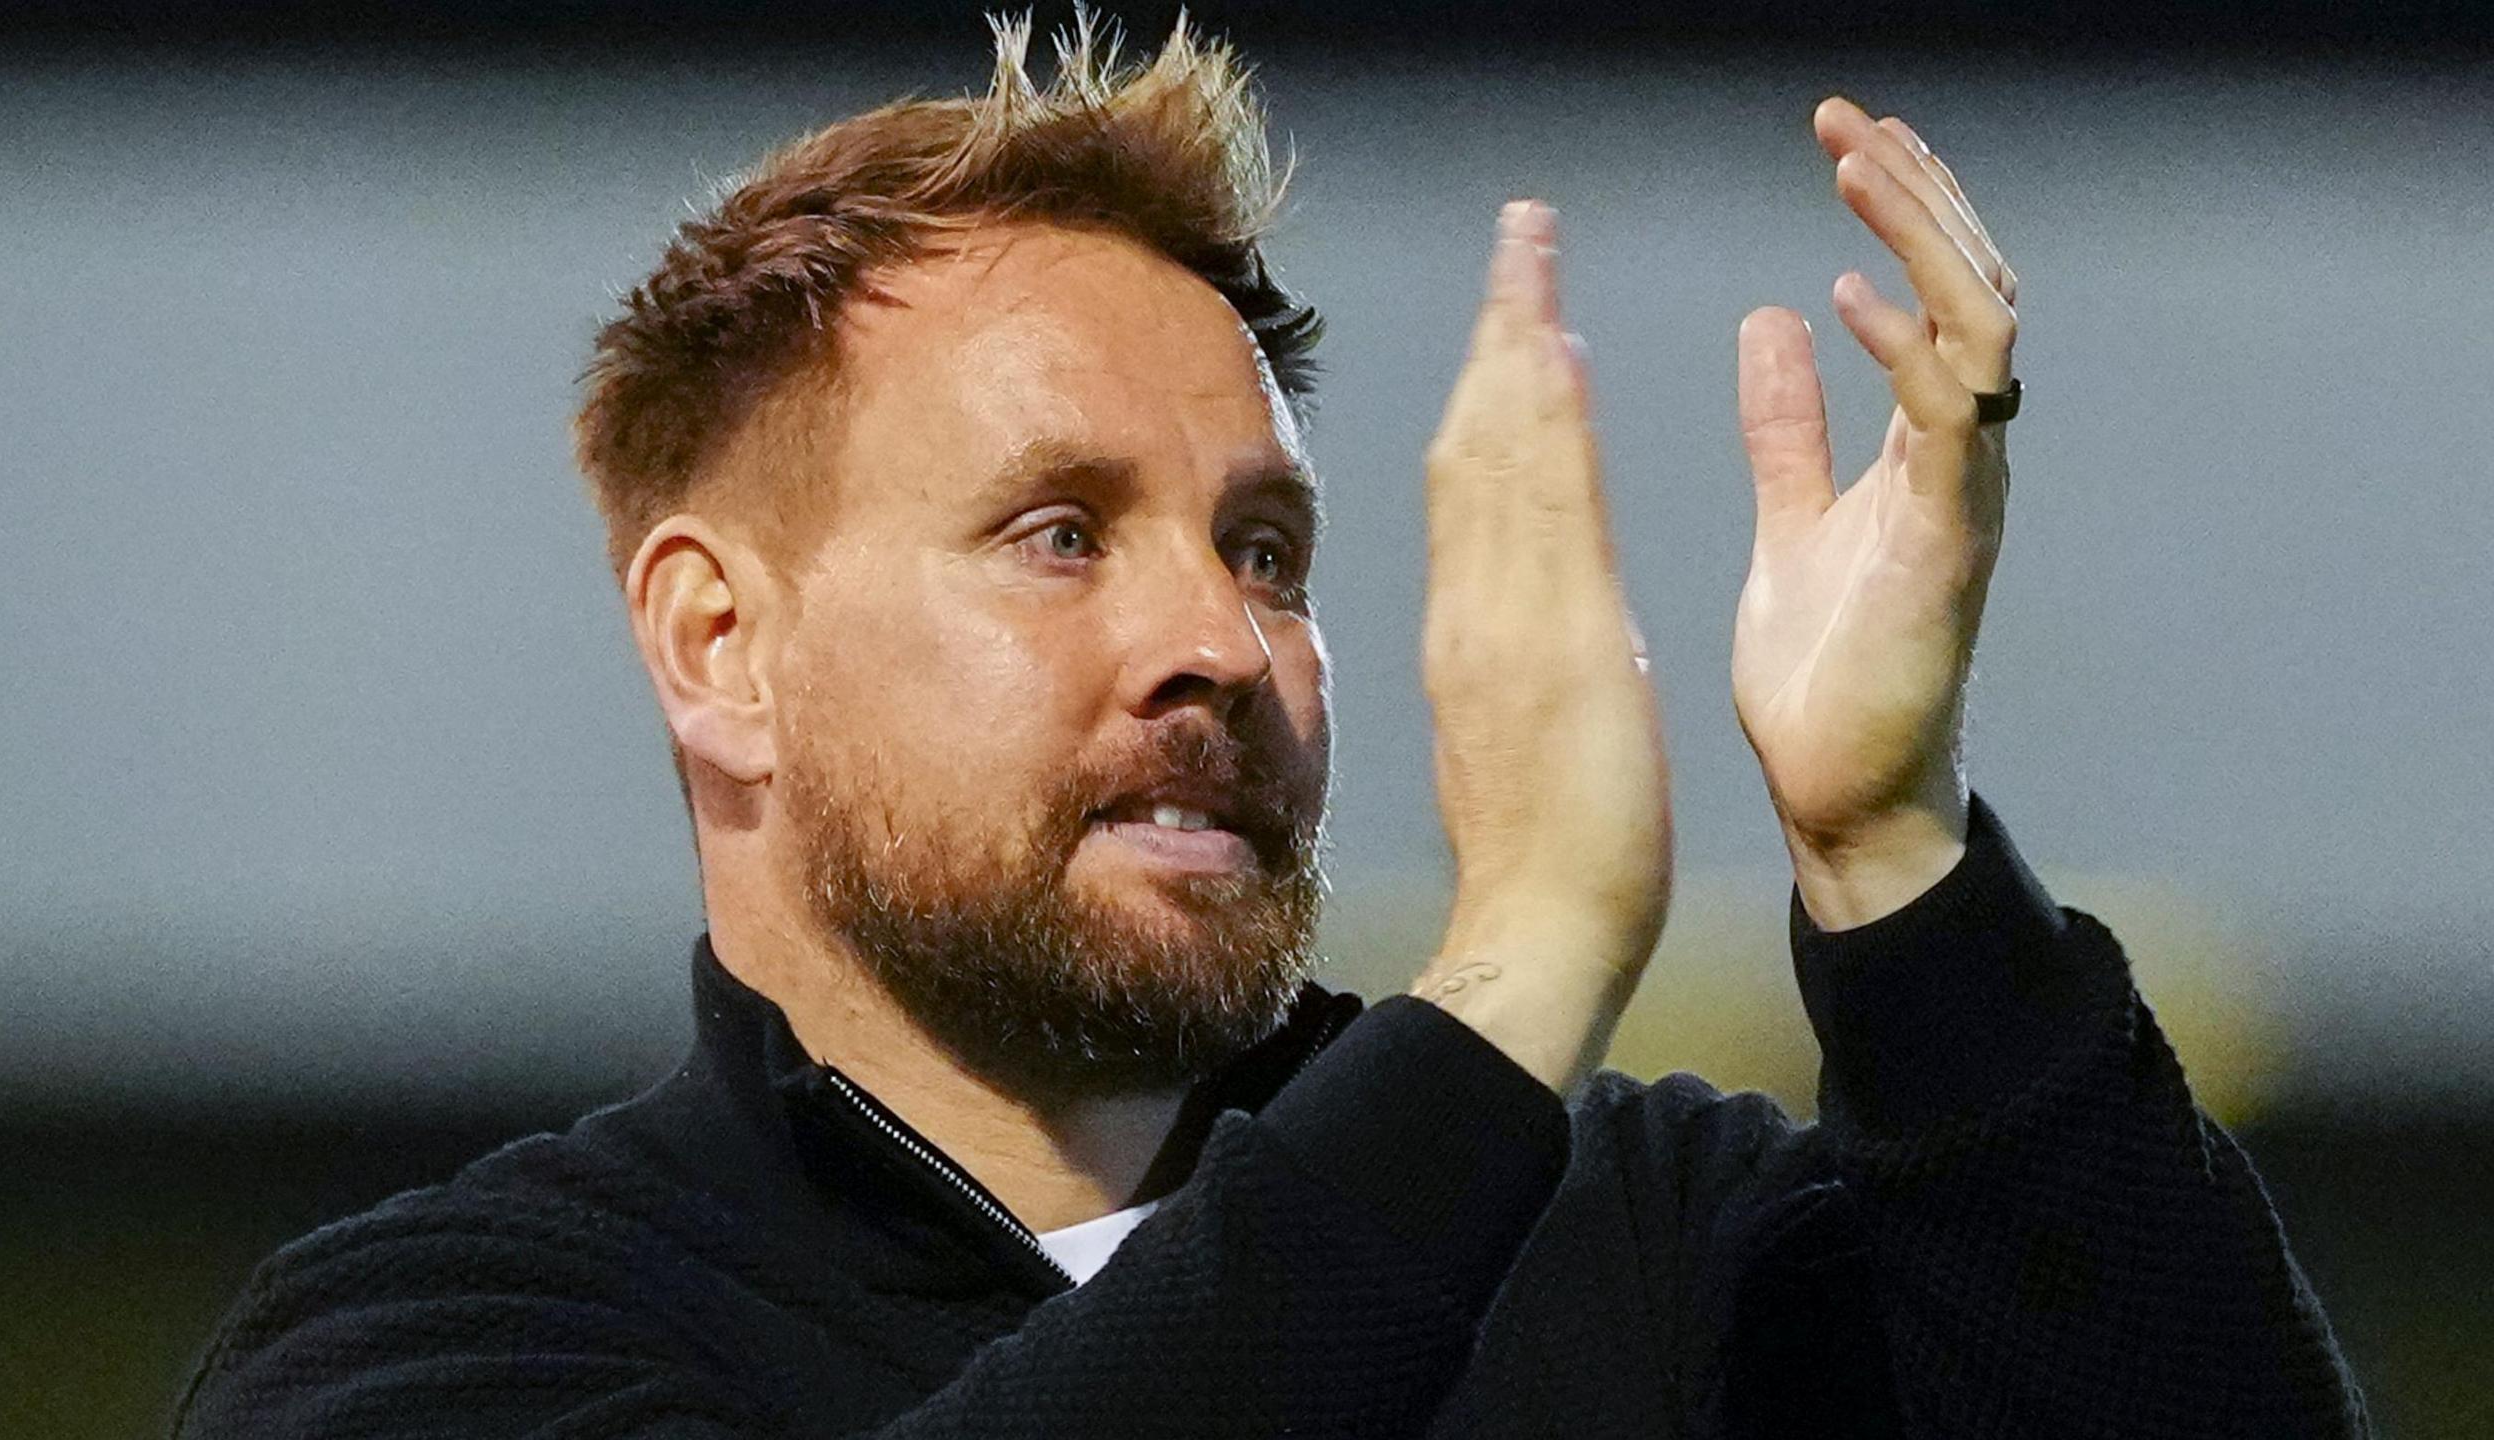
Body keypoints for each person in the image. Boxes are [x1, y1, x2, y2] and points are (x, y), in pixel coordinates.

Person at [174, 17, 2366, 1438]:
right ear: (715, 644)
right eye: (1056, 532)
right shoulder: (428, 1348)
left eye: (1265, 547)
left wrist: (1894, 860)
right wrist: (1510, 977)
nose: (1215, 641)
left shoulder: (1644, 1239)